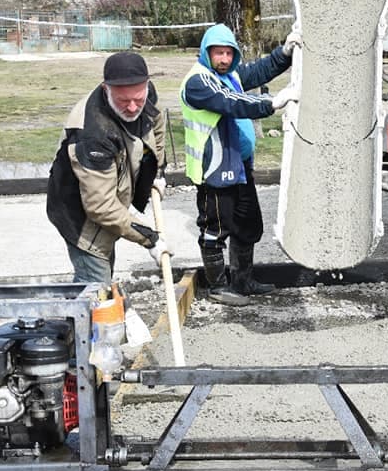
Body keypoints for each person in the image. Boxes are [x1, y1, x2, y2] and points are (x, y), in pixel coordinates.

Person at [180, 23, 301, 306]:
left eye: (228, 53)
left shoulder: (230, 74)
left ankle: (243, 280)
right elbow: (231, 101)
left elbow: (258, 71)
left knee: (247, 223)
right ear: (206, 53)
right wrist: (271, 102)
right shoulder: (198, 82)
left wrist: (284, 53)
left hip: (240, 164)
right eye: (218, 53)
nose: (224, 59)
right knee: (215, 228)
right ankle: (218, 287)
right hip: (214, 169)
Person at [47, 51, 169, 284]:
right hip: (81, 218)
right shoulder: (93, 135)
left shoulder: (145, 93)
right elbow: (100, 206)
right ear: (106, 89)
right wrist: (150, 238)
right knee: (96, 285)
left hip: (107, 197)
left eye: (138, 100)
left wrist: (157, 170)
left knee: (106, 269)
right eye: (123, 101)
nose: (132, 107)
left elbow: (156, 123)